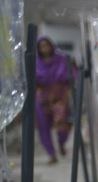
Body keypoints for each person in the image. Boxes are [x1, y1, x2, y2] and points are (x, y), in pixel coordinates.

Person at [35, 36, 76, 164]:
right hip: (42, 96)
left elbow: (72, 75)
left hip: (60, 96)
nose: (44, 49)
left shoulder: (62, 59)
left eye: (46, 45)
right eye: (41, 46)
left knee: (62, 124)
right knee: (43, 126)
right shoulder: (35, 62)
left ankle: (61, 144)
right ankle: (51, 154)